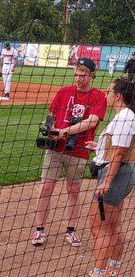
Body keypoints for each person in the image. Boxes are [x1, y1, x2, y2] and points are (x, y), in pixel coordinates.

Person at [32, 57, 107, 247]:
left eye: (84, 73)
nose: (79, 77)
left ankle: (71, 230)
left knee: (73, 190)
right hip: (56, 148)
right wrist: (50, 131)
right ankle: (39, 230)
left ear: (91, 75)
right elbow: (52, 115)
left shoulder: (99, 96)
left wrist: (65, 131)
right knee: (46, 188)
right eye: (77, 72)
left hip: (79, 150)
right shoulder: (64, 91)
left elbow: (92, 121)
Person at [71, 78, 135, 277]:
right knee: (112, 225)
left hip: (115, 175)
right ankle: (112, 269)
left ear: (118, 96)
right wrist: (98, 149)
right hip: (123, 173)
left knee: (98, 227)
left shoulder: (125, 117)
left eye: (109, 92)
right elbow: (118, 148)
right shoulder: (126, 117)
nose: (106, 95)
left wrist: (107, 181)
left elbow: (119, 152)